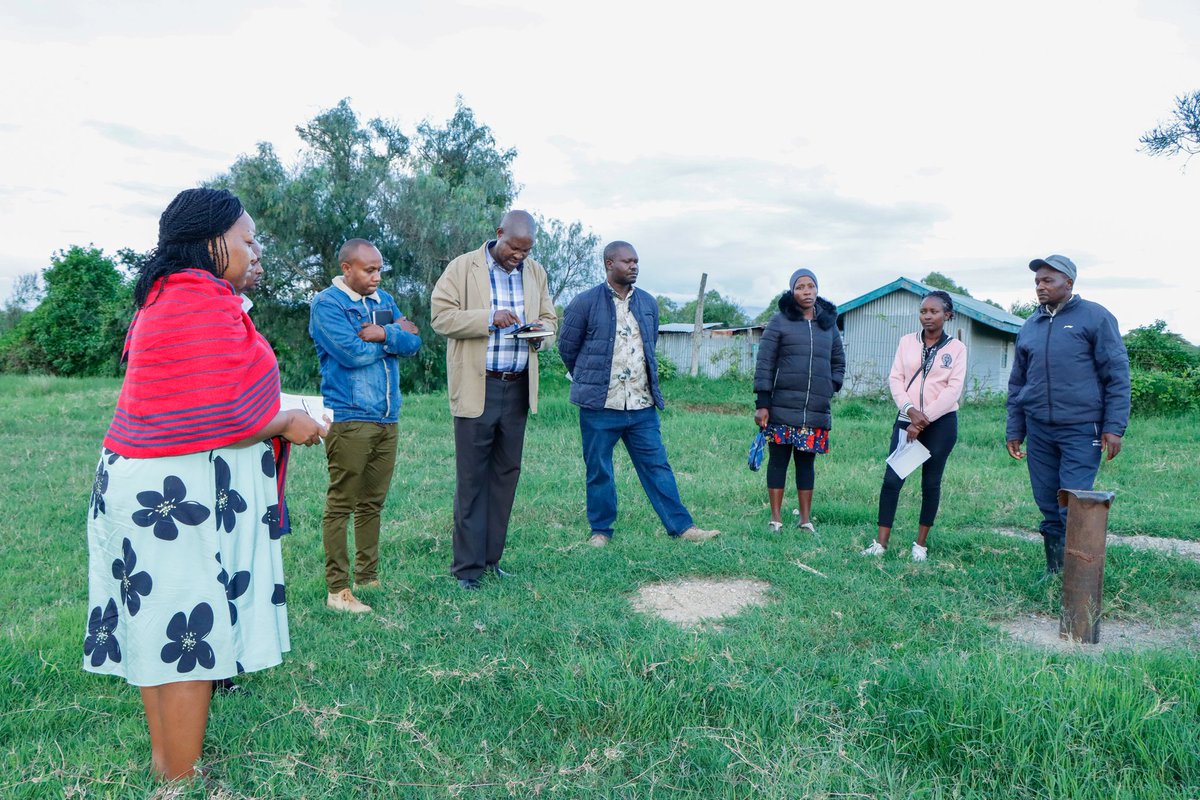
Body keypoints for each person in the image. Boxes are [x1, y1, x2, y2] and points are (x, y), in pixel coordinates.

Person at [84, 188, 326, 780]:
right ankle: (179, 782)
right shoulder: (204, 302)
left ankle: (170, 767)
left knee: (159, 628)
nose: (257, 251)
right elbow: (233, 418)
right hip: (171, 496)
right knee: (189, 635)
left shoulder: (163, 297)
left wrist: (267, 416)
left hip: (135, 481)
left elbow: (201, 403)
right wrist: (291, 421)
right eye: (248, 240)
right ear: (212, 241)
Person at [557, 241, 721, 547]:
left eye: (636, 261)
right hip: (600, 405)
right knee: (599, 469)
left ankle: (683, 528)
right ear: (609, 264)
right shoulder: (584, 303)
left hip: (641, 404)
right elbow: (567, 347)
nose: (633, 266)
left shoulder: (647, 303)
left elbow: (649, 344)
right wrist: (587, 379)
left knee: (657, 466)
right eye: (627, 261)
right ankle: (601, 531)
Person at [430, 210, 557, 590]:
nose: (520, 256)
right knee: (473, 479)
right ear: (499, 234)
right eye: (514, 248)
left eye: (526, 250)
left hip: (517, 387)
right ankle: (466, 569)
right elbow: (441, 317)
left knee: (505, 477)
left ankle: (491, 560)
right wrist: (488, 317)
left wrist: (541, 334)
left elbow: (550, 318)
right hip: (477, 386)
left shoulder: (535, 272)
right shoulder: (462, 267)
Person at [309, 239, 422, 613]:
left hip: (388, 416)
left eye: (379, 269)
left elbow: (413, 342)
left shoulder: (383, 301)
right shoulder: (328, 304)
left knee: (373, 502)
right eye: (368, 270)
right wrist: (395, 335)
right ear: (346, 268)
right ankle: (337, 591)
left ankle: (367, 576)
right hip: (351, 417)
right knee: (342, 503)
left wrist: (385, 334)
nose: (376, 276)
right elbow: (351, 354)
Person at [1005, 254, 1130, 575]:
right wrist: (1015, 429)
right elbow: (1018, 381)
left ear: (1069, 283)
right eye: (1037, 282)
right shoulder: (1030, 325)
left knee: (1073, 503)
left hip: (1081, 428)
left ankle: (1077, 578)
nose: (1040, 287)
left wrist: (1114, 427)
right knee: (1047, 502)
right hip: (1039, 429)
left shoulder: (1095, 318)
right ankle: (1055, 572)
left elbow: (1116, 375)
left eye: (1048, 280)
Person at [861, 291, 966, 560]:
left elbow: (952, 391)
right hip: (907, 419)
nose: (927, 316)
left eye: (934, 311)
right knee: (892, 479)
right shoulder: (907, 342)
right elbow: (896, 379)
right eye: (923, 311)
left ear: (948, 315)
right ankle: (880, 543)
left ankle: (920, 545)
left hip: (940, 423)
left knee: (931, 483)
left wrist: (923, 419)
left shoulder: (956, 349)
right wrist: (909, 410)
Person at [753, 268, 845, 532]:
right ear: (792, 291)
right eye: (800, 287)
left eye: (811, 286)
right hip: (781, 407)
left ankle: (805, 520)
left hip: (815, 409)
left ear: (817, 289)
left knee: (806, 464)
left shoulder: (828, 324)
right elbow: (765, 363)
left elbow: (838, 360)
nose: (807, 291)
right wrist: (763, 403)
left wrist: (830, 385)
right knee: (778, 461)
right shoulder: (779, 321)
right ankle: (776, 519)